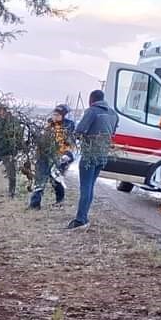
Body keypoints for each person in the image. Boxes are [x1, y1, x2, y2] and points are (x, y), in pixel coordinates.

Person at [70, 90, 119, 229]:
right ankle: (84, 216)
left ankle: (80, 219)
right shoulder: (114, 114)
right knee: (90, 186)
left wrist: (77, 138)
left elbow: (79, 130)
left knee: (85, 187)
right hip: (102, 155)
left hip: (90, 154)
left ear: (91, 99)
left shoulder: (92, 111)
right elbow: (112, 134)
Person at [28, 104, 76, 209]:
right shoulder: (49, 124)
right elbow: (43, 138)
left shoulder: (68, 125)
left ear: (63, 116)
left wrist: (64, 156)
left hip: (61, 156)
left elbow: (67, 143)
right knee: (40, 178)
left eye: (58, 115)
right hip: (45, 155)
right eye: (54, 114)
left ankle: (60, 200)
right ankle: (35, 204)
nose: (55, 116)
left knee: (55, 178)